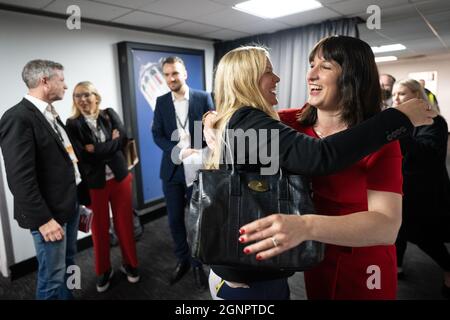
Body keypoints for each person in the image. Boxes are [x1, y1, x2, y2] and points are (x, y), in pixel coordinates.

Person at [204, 43, 435, 300]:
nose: (310, 74)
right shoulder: (289, 123)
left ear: (352, 78)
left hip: (363, 263)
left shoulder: (381, 139)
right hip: (309, 258)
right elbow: (318, 153)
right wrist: (213, 119)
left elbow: (386, 228)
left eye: (324, 66)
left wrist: (307, 226)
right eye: (311, 65)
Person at [0, 59, 90, 299]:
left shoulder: (50, 114)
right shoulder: (18, 117)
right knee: (51, 278)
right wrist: (43, 220)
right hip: (49, 216)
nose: (66, 86)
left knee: (68, 264)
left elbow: (63, 160)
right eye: (61, 80)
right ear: (44, 81)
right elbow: (20, 178)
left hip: (68, 206)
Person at [66, 81, 139, 293]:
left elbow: (123, 139)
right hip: (95, 183)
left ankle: (131, 265)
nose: (82, 99)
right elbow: (81, 154)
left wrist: (95, 149)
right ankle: (103, 270)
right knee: (98, 229)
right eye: (77, 95)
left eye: (87, 94)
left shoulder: (109, 114)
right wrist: (109, 145)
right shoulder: (72, 124)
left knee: (124, 223)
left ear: (96, 96)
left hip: (120, 178)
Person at [151, 56, 214, 290]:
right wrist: (177, 149)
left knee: (197, 220)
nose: (171, 78)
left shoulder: (203, 97)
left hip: (199, 169)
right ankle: (182, 259)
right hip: (172, 170)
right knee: (175, 219)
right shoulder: (161, 102)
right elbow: (157, 134)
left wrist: (202, 147)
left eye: (175, 73)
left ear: (184, 73)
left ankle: (198, 263)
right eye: (167, 74)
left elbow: (214, 128)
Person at [392, 79, 450, 299]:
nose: (396, 99)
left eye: (402, 94)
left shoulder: (434, 122)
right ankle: (396, 265)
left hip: (426, 189)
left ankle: (448, 268)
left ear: (417, 95)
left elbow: (427, 154)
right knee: (398, 225)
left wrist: (400, 132)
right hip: (402, 187)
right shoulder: (402, 121)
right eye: (395, 94)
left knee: (421, 233)